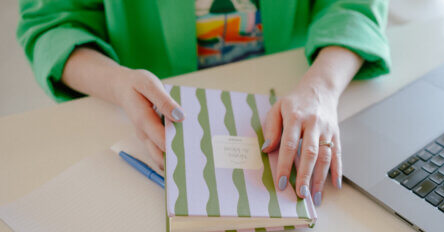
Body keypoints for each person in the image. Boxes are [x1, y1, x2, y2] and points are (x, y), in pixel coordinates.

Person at [17, 0, 390, 206]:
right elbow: (53, 24)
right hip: (149, 113)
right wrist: (117, 83)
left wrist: (322, 86)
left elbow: (354, 6)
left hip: (296, 84)